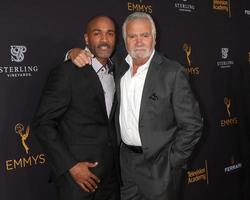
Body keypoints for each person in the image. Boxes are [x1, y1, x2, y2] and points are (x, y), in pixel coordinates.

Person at [69, 12, 203, 200]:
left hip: (159, 168)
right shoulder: (119, 66)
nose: (139, 42)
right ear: (125, 41)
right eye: (132, 36)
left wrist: (172, 162)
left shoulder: (172, 73)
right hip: (125, 166)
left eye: (145, 35)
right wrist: (72, 53)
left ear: (154, 39)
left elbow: (192, 125)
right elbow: (93, 51)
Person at [32, 16, 120, 200]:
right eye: (97, 33)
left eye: (110, 33)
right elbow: (43, 124)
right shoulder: (67, 72)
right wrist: (71, 166)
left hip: (111, 178)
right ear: (87, 39)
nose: (104, 40)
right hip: (78, 180)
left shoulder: (118, 71)